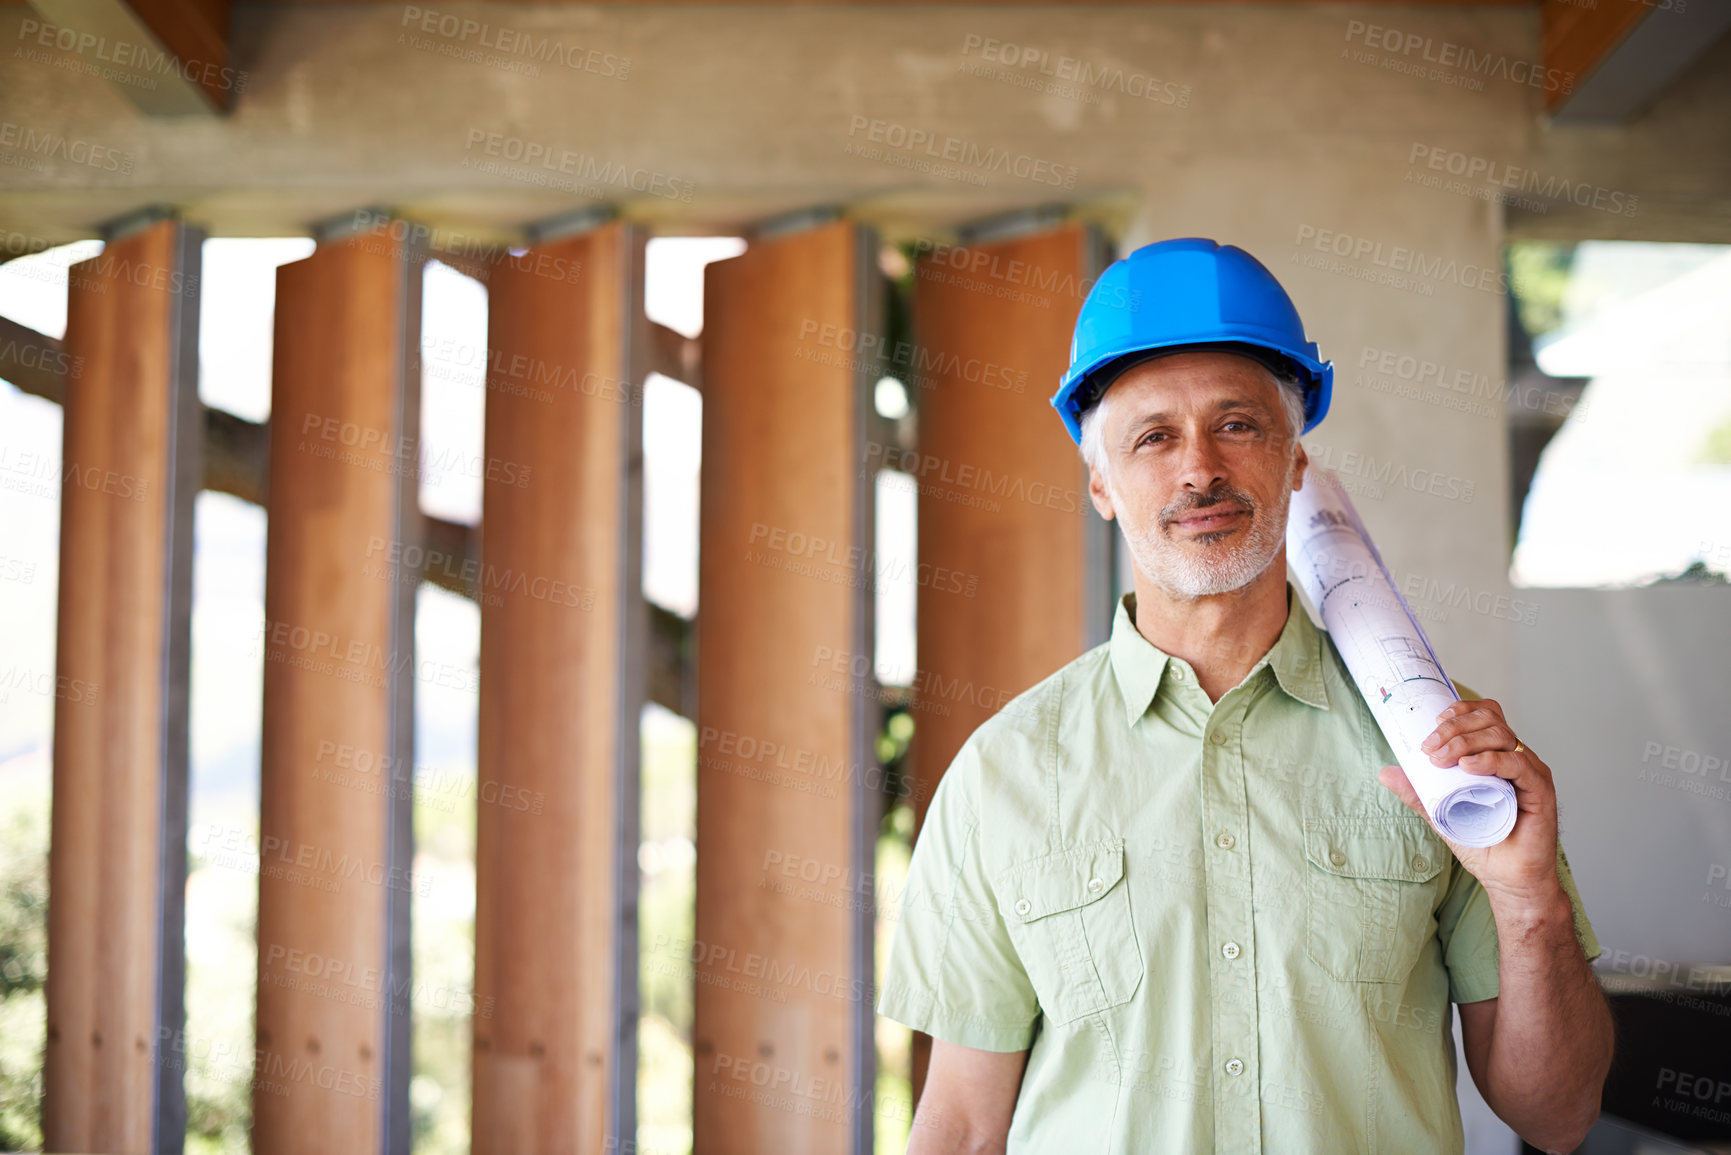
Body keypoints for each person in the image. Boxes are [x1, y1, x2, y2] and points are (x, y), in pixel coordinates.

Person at [876, 239, 1613, 1153]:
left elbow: (1557, 1114)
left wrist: (1529, 897)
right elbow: (960, 1123)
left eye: (1238, 424)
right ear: (1100, 482)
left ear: (1295, 458)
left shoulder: (1439, 747)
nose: (1198, 469)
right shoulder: (1006, 771)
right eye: (1153, 437)